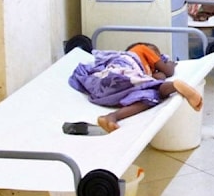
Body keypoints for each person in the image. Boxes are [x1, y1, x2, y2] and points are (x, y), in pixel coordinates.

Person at [68, 42, 203, 133]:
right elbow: (167, 72)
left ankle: (112, 116)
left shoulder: (142, 73)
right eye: (157, 55)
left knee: (149, 96)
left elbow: (157, 78)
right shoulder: (140, 49)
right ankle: (174, 86)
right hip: (119, 72)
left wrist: (155, 73)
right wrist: (171, 65)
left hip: (108, 90)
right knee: (154, 91)